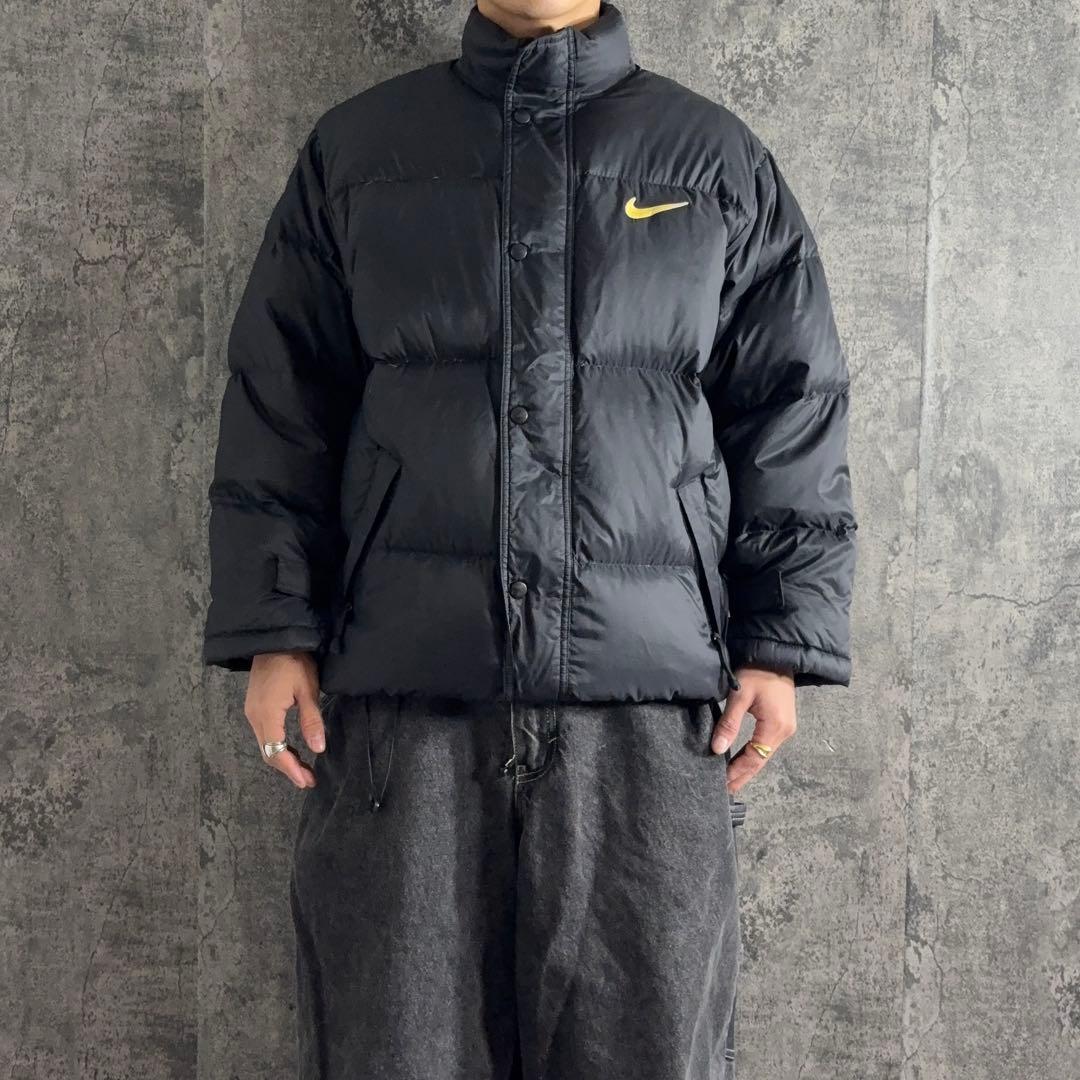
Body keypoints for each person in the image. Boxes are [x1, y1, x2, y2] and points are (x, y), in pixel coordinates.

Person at [202, 1, 857, 1076]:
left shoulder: (714, 161)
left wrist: (780, 642)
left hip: (648, 722)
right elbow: (282, 399)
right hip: (407, 708)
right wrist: (276, 627)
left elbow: (792, 408)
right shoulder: (360, 152)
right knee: (392, 1051)